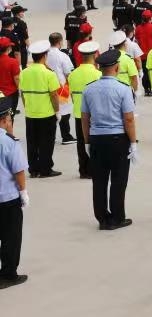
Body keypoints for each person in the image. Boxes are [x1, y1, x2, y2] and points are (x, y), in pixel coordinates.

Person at [81, 49, 138, 229]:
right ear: (117, 67)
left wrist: (87, 141)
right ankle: (117, 217)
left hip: (97, 138)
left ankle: (102, 218)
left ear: (99, 68)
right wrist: (133, 142)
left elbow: (85, 118)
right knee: (118, 180)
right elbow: (128, 119)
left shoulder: (89, 89)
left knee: (99, 181)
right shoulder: (123, 89)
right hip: (118, 138)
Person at [17, 42, 59, 177]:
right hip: (46, 114)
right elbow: (54, 95)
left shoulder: (24, 72)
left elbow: (22, 93)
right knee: (46, 143)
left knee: (32, 143)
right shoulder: (49, 74)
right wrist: (57, 111)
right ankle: (46, 169)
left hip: (30, 114)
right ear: (44, 56)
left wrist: (27, 107)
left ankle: (34, 169)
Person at [0, 97, 27, 289]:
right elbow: (18, 170)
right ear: (4, 120)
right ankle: (8, 275)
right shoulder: (8, 142)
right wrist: (23, 192)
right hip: (7, 198)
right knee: (11, 237)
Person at [67, 41, 101, 178]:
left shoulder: (72, 74)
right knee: (94, 142)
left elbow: (72, 95)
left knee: (81, 142)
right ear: (95, 55)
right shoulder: (98, 75)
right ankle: (94, 169)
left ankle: (83, 170)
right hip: (94, 115)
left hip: (78, 113)